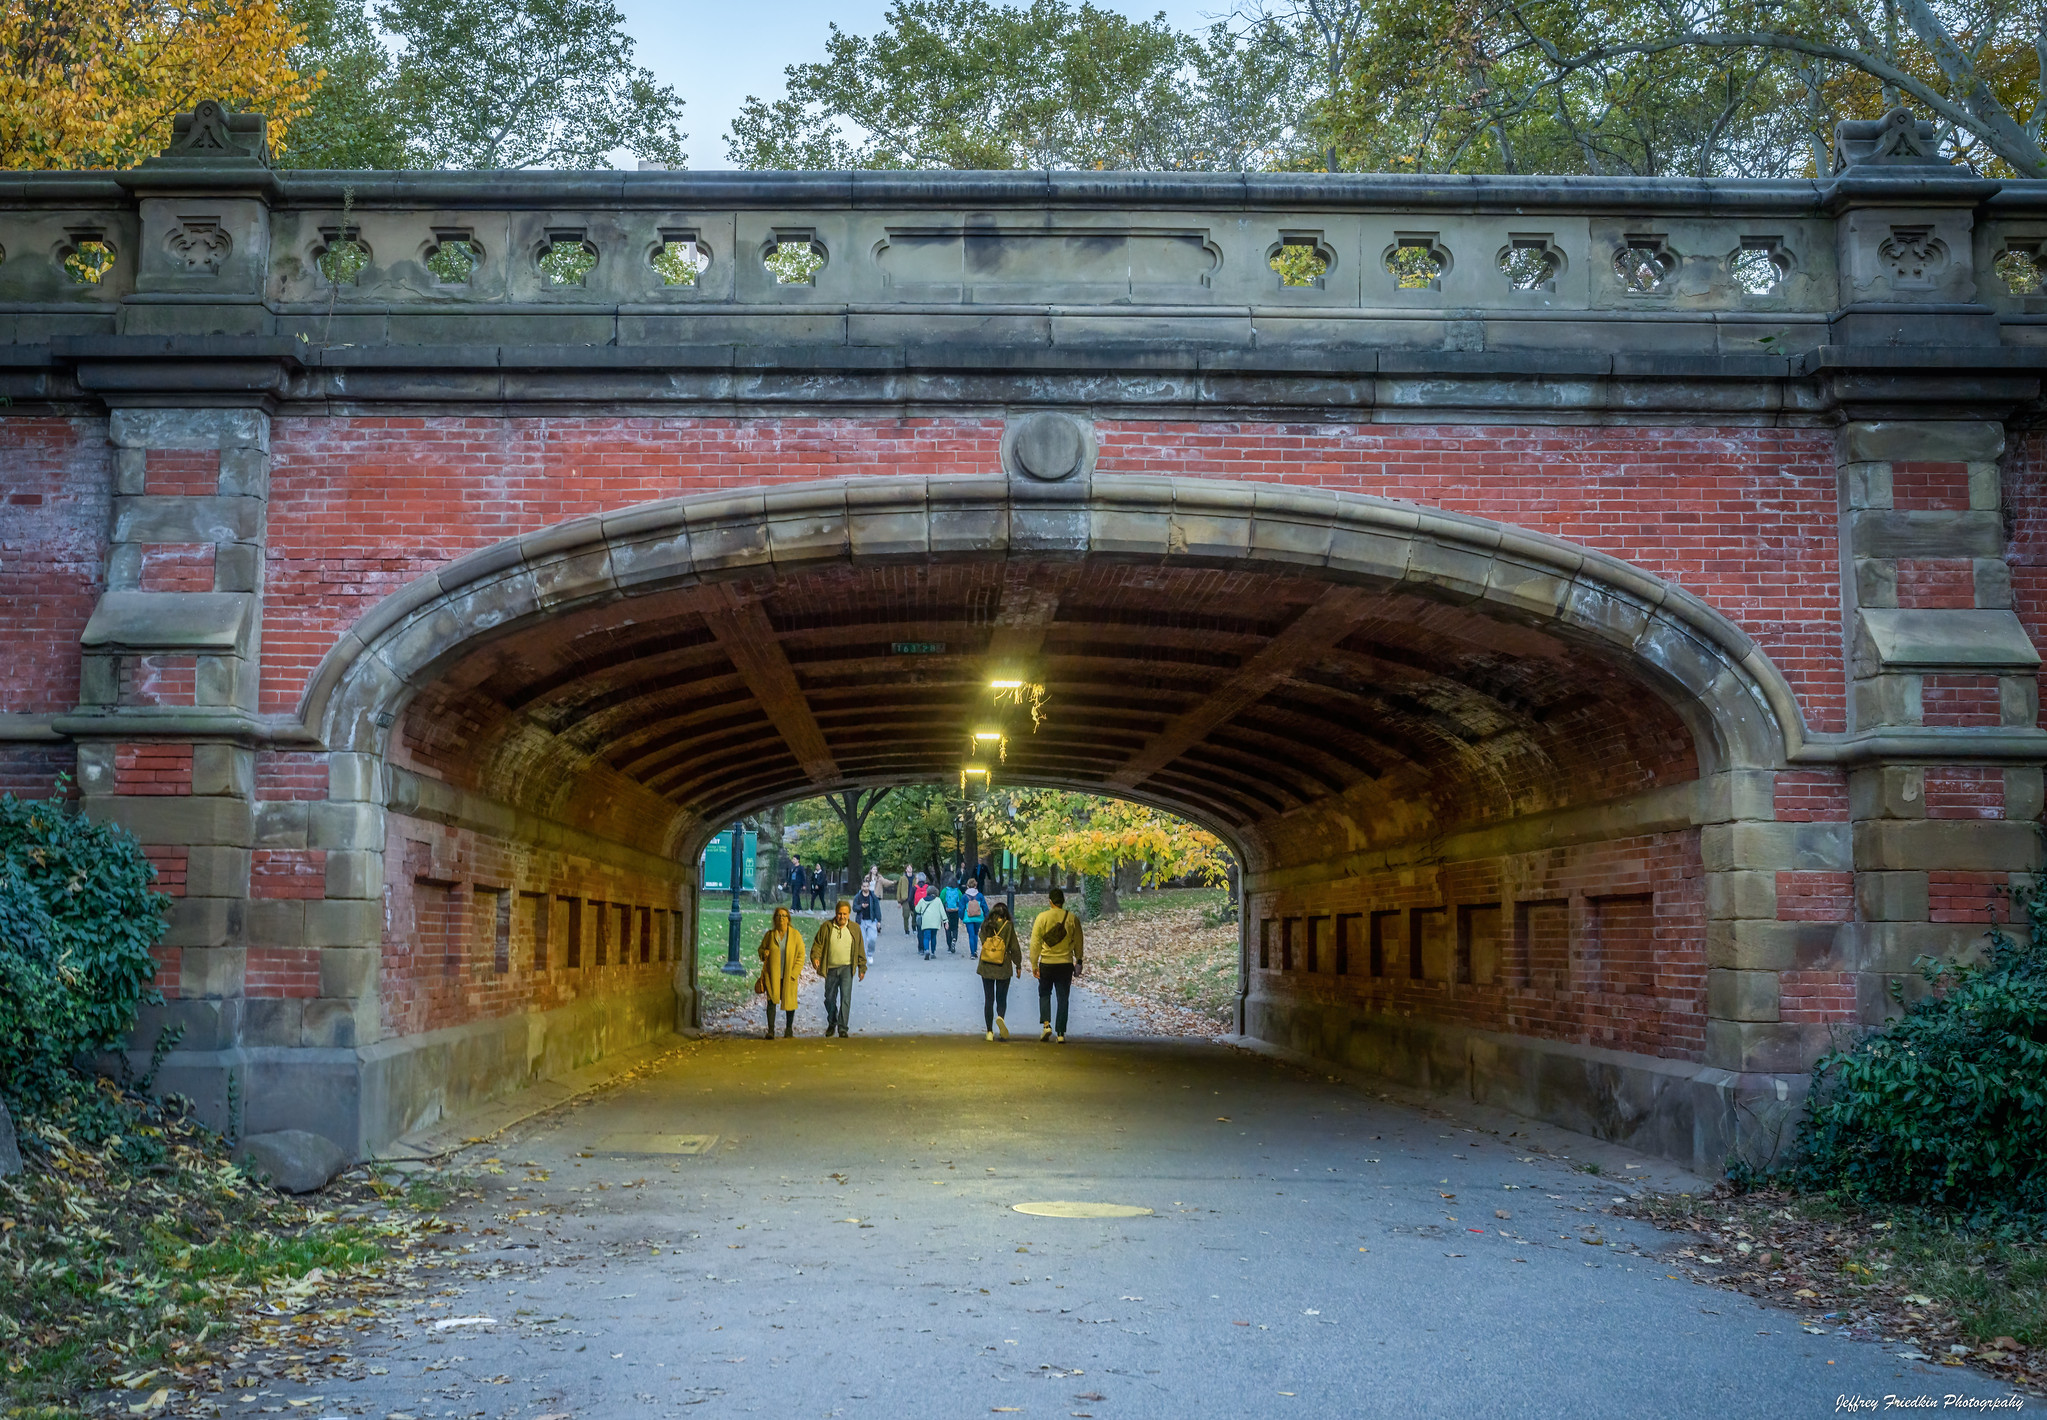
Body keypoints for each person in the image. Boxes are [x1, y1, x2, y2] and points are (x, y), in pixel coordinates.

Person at [1029, 886, 1085, 1043]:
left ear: (1050, 901)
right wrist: (1078, 960)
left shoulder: (1042, 917)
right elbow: (1079, 941)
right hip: (1065, 964)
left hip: (1046, 963)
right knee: (1063, 997)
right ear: (1063, 901)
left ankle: (1046, 1025)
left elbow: (1035, 942)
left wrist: (1034, 963)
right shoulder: (1072, 918)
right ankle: (1061, 1033)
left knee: (1044, 993)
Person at [809, 898, 867, 1037]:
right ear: (836, 913)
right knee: (829, 998)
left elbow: (860, 949)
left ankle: (843, 1027)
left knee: (846, 998)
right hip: (831, 968)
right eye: (840, 914)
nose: (842, 916)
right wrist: (815, 957)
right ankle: (832, 1021)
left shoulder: (855, 929)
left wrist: (862, 967)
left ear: (849, 914)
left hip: (847, 968)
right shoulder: (826, 927)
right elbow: (818, 944)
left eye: (845, 914)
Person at [757, 906, 804, 1038]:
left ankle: (789, 1029)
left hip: (789, 975)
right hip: (773, 975)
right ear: (775, 919)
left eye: (784, 916)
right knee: (771, 1001)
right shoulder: (770, 935)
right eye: (778, 916)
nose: (781, 918)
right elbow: (761, 949)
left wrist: (794, 973)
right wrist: (763, 953)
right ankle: (771, 1030)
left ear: (788, 919)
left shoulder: (795, 935)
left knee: (789, 1001)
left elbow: (801, 955)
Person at [976, 901, 1021, 1040]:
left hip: (986, 965)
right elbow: (1014, 947)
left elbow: (982, 939)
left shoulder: (986, 925)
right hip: (1003, 966)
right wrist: (1018, 964)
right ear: (1006, 914)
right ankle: (1000, 1017)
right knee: (1002, 998)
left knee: (988, 999)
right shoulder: (1008, 926)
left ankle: (989, 1031)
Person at [852, 876, 883, 959]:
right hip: (861, 921)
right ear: (861, 887)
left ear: (869, 887)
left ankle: (870, 953)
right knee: (862, 940)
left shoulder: (873, 897)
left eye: (867, 886)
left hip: (871, 920)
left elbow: (877, 909)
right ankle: (863, 956)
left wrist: (879, 921)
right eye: (864, 886)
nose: (865, 888)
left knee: (872, 939)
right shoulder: (858, 897)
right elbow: (854, 908)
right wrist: (861, 906)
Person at [917, 885, 947, 961]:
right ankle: (933, 952)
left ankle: (927, 950)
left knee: (926, 937)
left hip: (926, 921)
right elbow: (942, 911)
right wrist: (945, 921)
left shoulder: (922, 900)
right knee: (933, 937)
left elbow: (917, 909)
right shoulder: (938, 900)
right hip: (935, 922)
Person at [962, 879, 987, 958]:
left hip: (968, 918)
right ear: (975, 886)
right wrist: (987, 915)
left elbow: (961, 908)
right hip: (978, 917)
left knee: (971, 935)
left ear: (967, 886)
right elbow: (984, 906)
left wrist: (961, 917)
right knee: (976, 934)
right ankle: (975, 950)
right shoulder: (979, 895)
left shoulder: (964, 896)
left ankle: (972, 953)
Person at [941, 878, 964, 954]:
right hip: (955, 911)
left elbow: (941, 900)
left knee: (947, 929)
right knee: (955, 928)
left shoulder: (945, 891)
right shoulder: (958, 891)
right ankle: (954, 939)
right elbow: (961, 901)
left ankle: (949, 945)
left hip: (947, 912)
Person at [896, 864, 916, 935]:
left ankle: (914, 927)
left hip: (914, 899)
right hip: (905, 899)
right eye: (908, 867)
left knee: (914, 915)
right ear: (906, 869)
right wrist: (899, 901)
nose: (910, 869)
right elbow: (899, 889)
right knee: (906, 915)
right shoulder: (902, 878)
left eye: (911, 867)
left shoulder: (915, 878)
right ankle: (906, 930)